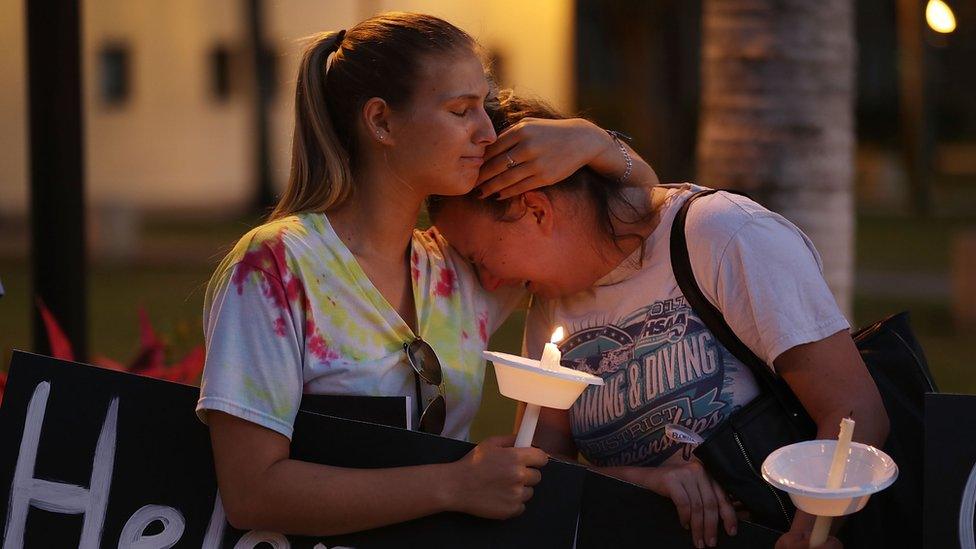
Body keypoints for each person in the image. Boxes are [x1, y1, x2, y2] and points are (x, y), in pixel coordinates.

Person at [197, 13, 655, 536]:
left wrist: (593, 143)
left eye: (484, 105)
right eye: (461, 110)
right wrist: (456, 484)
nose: (486, 131)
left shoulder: (457, 271)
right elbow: (251, 493)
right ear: (382, 122)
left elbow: (636, 212)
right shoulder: (277, 266)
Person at [430, 93, 887, 549]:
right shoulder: (553, 299)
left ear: (535, 209)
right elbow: (547, 464)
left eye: (482, 257)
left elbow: (853, 412)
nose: (489, 281)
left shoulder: (724, 236)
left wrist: (806, 536)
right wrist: (637, 481)